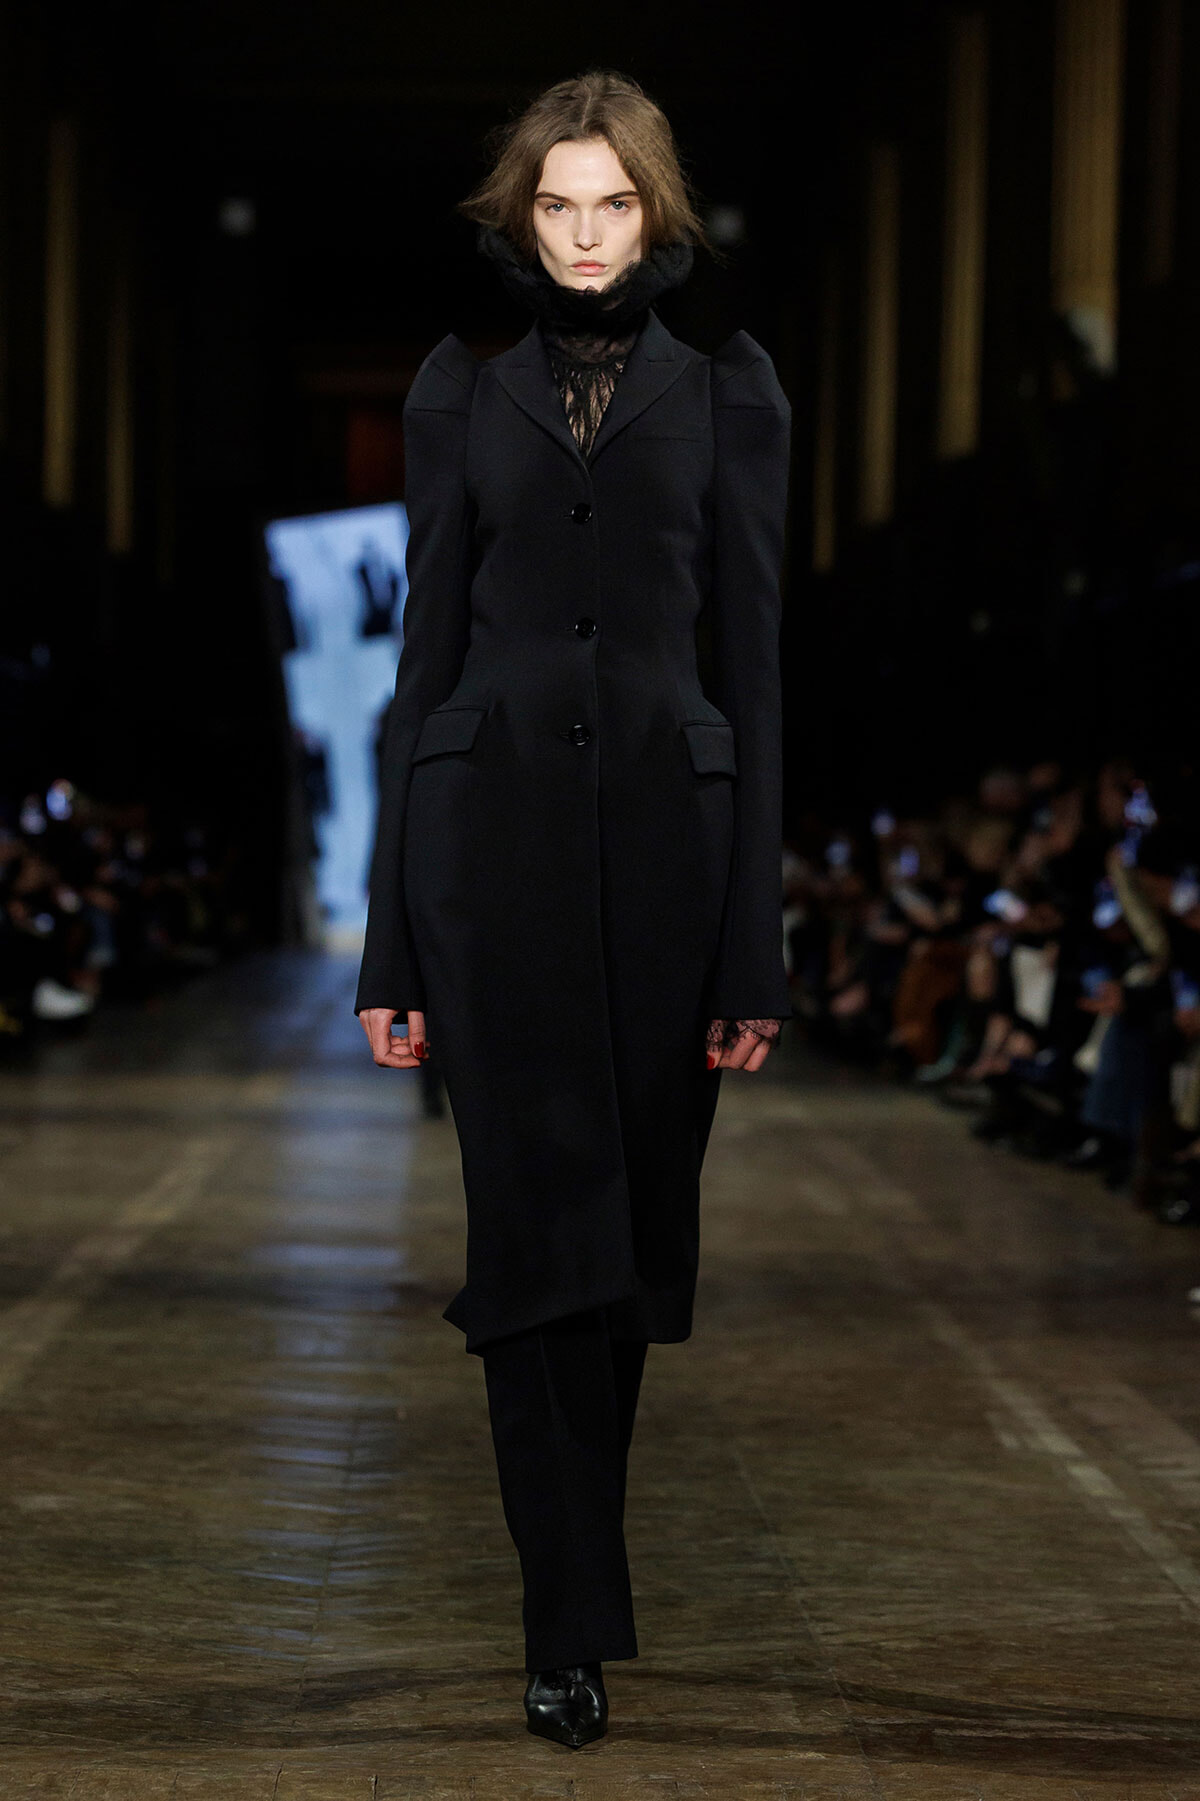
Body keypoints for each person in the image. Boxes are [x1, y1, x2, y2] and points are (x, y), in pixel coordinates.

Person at [356, 70, 792, 1749]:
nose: (589, 236)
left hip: (675, 870)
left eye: (616, 205)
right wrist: (395, 942)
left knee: (626, 1259)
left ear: (656, 214)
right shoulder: (461, 393)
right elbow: (422, 667)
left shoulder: (732, 395)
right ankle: (568, 1623)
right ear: (520, 216)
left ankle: (574, 1585)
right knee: (532, 1239)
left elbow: (755, 674)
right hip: (491, 852)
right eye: (559, 205)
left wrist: (754, 943)